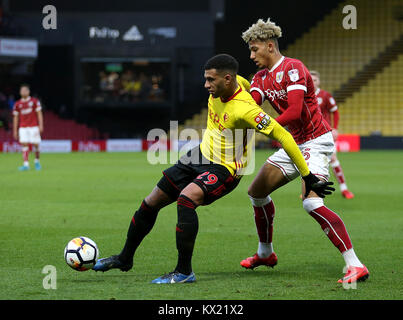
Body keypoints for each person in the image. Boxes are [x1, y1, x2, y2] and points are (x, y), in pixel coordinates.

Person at [93, 54, 333, 284]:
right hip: (200, 154)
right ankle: (124, 258)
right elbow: (248, 85)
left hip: (225, 168)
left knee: (186, 200)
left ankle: (183, 272)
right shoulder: (237, 82)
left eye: (211, 79)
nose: (206, 84)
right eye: (205, 78)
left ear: (227, 79)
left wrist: (307, 175)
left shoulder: (245, 110)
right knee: (150, 202)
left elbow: (283, 135)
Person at [240, 18, 368, 284]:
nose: (251, 55)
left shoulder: (293, 68)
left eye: (255, 49)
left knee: (311, 202)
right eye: (250, 50)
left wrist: (265, 129)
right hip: (291, 142)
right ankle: (266, 254)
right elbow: (252, 109)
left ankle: (355, 265)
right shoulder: (260, 78)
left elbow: (295, 112)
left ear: (270, 46)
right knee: (257, 192)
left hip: (315, 140)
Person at [310, 70, 354, 199]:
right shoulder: (305, 95)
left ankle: (344, 189)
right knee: (311, 162)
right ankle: (310, 189)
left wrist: (335, 128)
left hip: (325, 133)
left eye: (315, 80)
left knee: (333, 159)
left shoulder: (325, 95)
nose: (313, 82)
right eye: (310, 80)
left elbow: (335, 111)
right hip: (310, 134)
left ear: (319, 81)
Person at [12, 84, 43, 171]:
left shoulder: (34, 101)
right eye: (21, 90)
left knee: (36, 144)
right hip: (23, 127)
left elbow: (39, 113)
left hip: (33, 126)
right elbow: (15, 117)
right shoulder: (17, 104)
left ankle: (37, 161)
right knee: (24, 144)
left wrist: (41, 125)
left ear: (28, 91)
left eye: (25, 90)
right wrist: (15, 130)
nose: (23, 92)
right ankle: (26, 164)